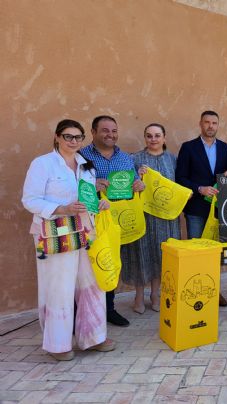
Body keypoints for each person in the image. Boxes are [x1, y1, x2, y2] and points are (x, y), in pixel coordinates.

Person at [22, 119, 115, 361]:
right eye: (68, 136)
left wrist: (100, 202)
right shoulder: (43, 164)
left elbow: (88, 198)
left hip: (85, 231)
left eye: (77, 137)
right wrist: (62, 208)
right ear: (57, 137)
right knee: (59, 288)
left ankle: (94, 337)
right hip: (54, 233)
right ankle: (58, 344)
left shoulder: (87, 166)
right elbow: (29, 200)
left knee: (91, 285)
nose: (73, 141)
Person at [81, 115, 145, 327]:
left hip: (118, 221)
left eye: (114, 131)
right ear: (93, 132)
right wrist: (92, 185)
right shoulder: (81, 157)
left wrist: (139, 185)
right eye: (105, 130)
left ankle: (109, 309)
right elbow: (74, 187)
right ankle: (86, 312)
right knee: (91, 265)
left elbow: (134, 181)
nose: (111, 135)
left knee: (110, 263)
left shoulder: (125, 157)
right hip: (91, 220)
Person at [120, 123, 181, 314]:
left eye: (157, 135)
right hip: (143, 216)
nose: (153, 139)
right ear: (145, 138)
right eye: (149, 136)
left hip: (166, 219)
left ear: (164, 137)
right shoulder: (135, 158)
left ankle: (156, 294)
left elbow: (178, 186)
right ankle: (138, 296)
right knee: (141, 254)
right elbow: (126, 185)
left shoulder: (173, 159)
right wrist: (136, 178)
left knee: (160, 255)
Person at [175, 110, 227, 306]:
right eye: (207, 122)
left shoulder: (226, 148)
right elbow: (180, 177)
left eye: (214, 123)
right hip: (196, 209)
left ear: (218, 125)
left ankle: (214, 290)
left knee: (215, 251)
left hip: (217, 211)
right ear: (200, 124)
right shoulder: (188, 147)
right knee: (196, 250)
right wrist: (199, 188)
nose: (210, 126)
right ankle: (194, 291)